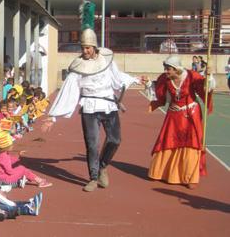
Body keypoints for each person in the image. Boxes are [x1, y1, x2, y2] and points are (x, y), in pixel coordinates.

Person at [43, 27, 143, 192]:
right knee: (92, 144)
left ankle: (103, 165)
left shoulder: (107, 61)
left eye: (88, 48)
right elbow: (69, 92)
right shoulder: (78, 67)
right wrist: (53, 117)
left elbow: (118, 79)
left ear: (94, 47)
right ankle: (93, 177)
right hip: (89, 108)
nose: (85, 51)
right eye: (82, 48)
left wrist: (135, 79)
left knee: (115, 140)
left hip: (109, 105)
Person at [147, 55, 215, 189]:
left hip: (191, 115)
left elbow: (205, 88)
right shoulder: (165, 79)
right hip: (173, 115)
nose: (166, 71)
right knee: (168, 141)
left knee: (191, 144)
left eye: (168, 69)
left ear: (176, 69)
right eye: (165, 68)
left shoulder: (191, 76)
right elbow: (160, 94)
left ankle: (190, 177)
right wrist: (149, 84)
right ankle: (164, 173)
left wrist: (209, 78)